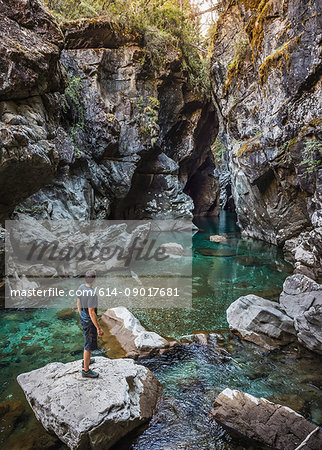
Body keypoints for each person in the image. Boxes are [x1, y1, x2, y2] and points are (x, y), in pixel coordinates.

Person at [77, 269, 104, 378]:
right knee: (88, 345)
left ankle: (86, 360)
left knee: (87, 342)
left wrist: (81, 316)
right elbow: (92, 312)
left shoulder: (80, 288)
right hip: (89, 322)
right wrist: (98, 328)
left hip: (84, 318)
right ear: (94, 280)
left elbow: (78, 303)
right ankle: (86, 370)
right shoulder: (92, 294)